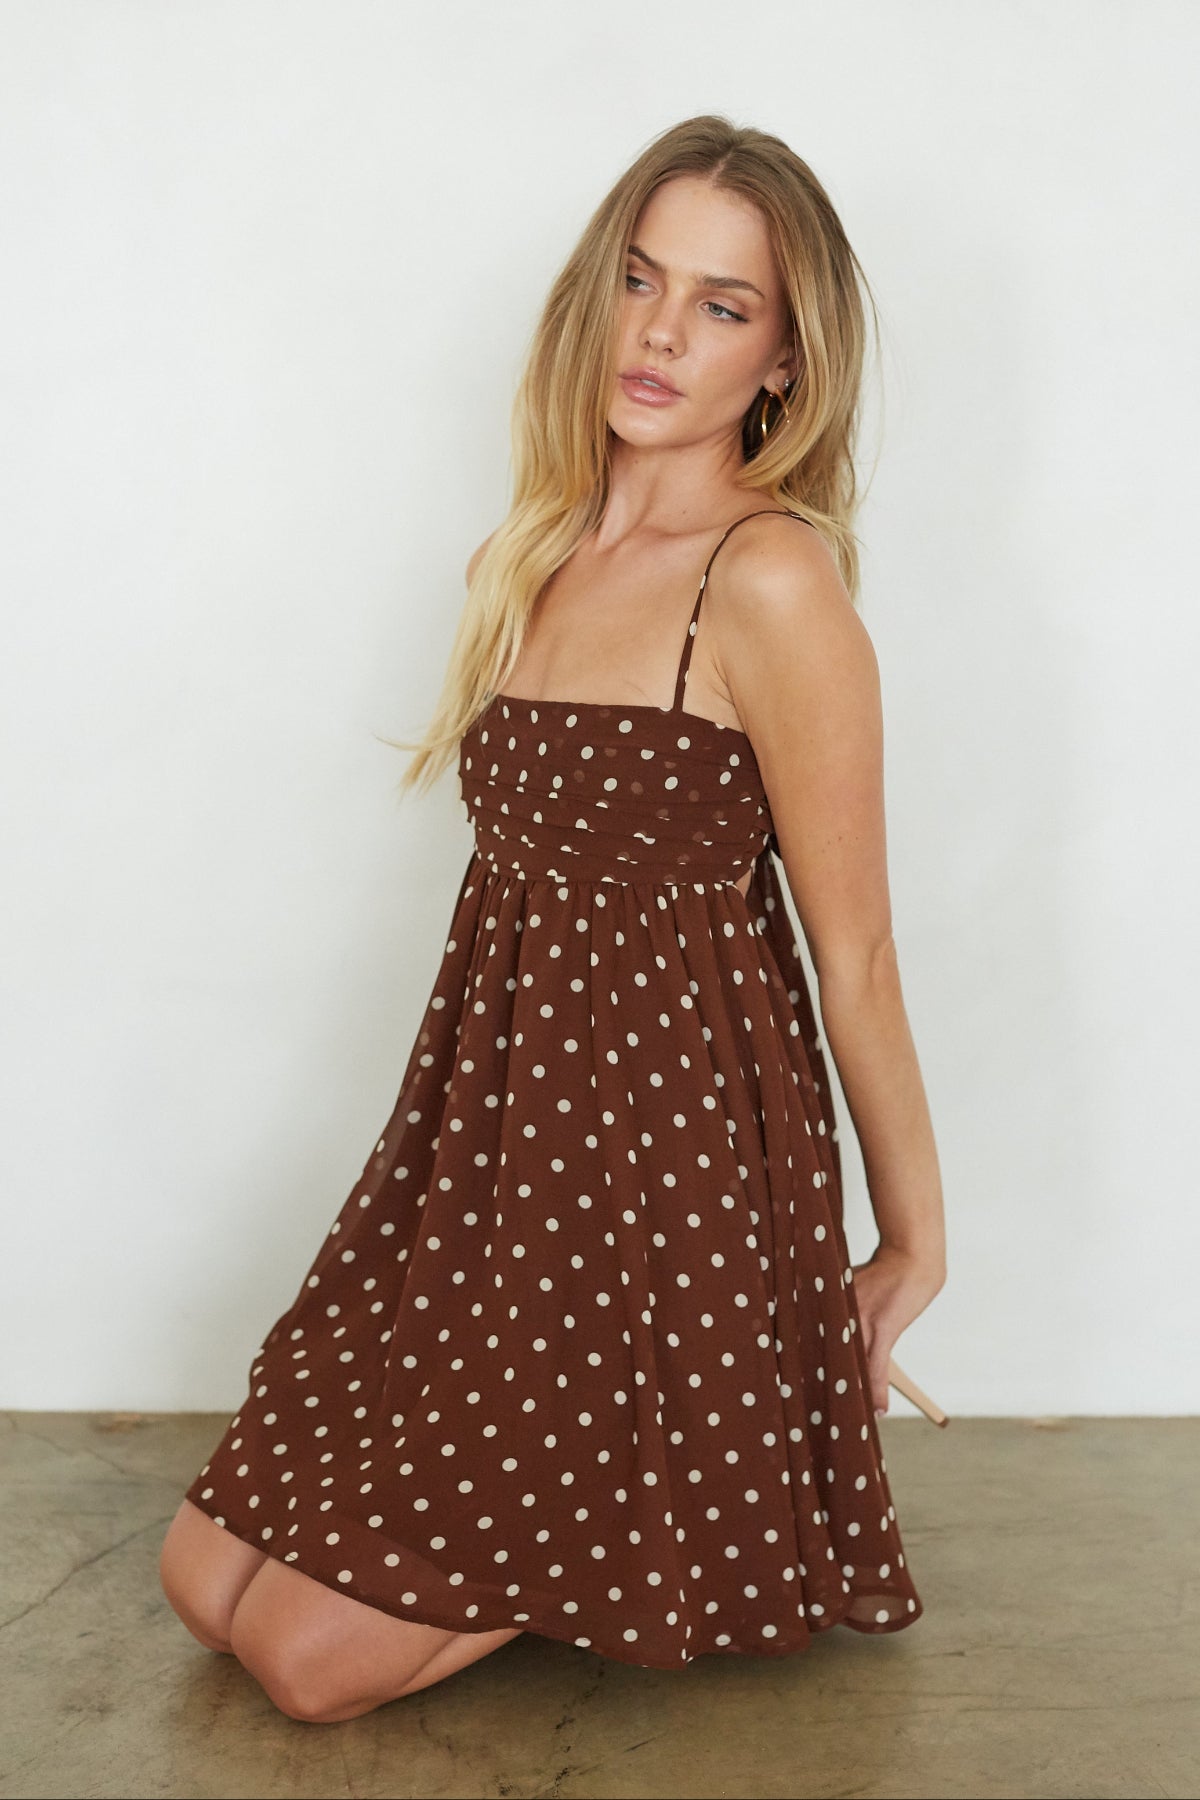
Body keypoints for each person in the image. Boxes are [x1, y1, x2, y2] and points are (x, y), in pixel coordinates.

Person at [159, 113, 947, 1725]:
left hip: (666, 1180)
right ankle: (603, 1480)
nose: (662, 332)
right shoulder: (526, 557)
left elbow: (852, 950)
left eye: (724, 306)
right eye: (645, 279)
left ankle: (681, 1461)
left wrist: (911, 1245)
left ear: (786, 365)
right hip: (488, 1149)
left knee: (303, 1666)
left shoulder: (774, 579)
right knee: (201, 1588)